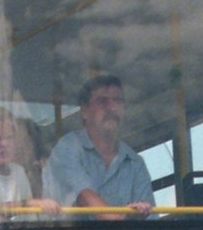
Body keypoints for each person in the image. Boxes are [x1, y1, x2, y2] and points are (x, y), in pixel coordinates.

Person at [45, 74, 155, 217]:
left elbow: (151, 222)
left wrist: (140, 216)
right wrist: (126, 218)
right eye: (102, 101)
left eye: (117, 101)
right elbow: (88, 199)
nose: (111, 108)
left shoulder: (136, 163)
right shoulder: (68, 147)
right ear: (84, 111)